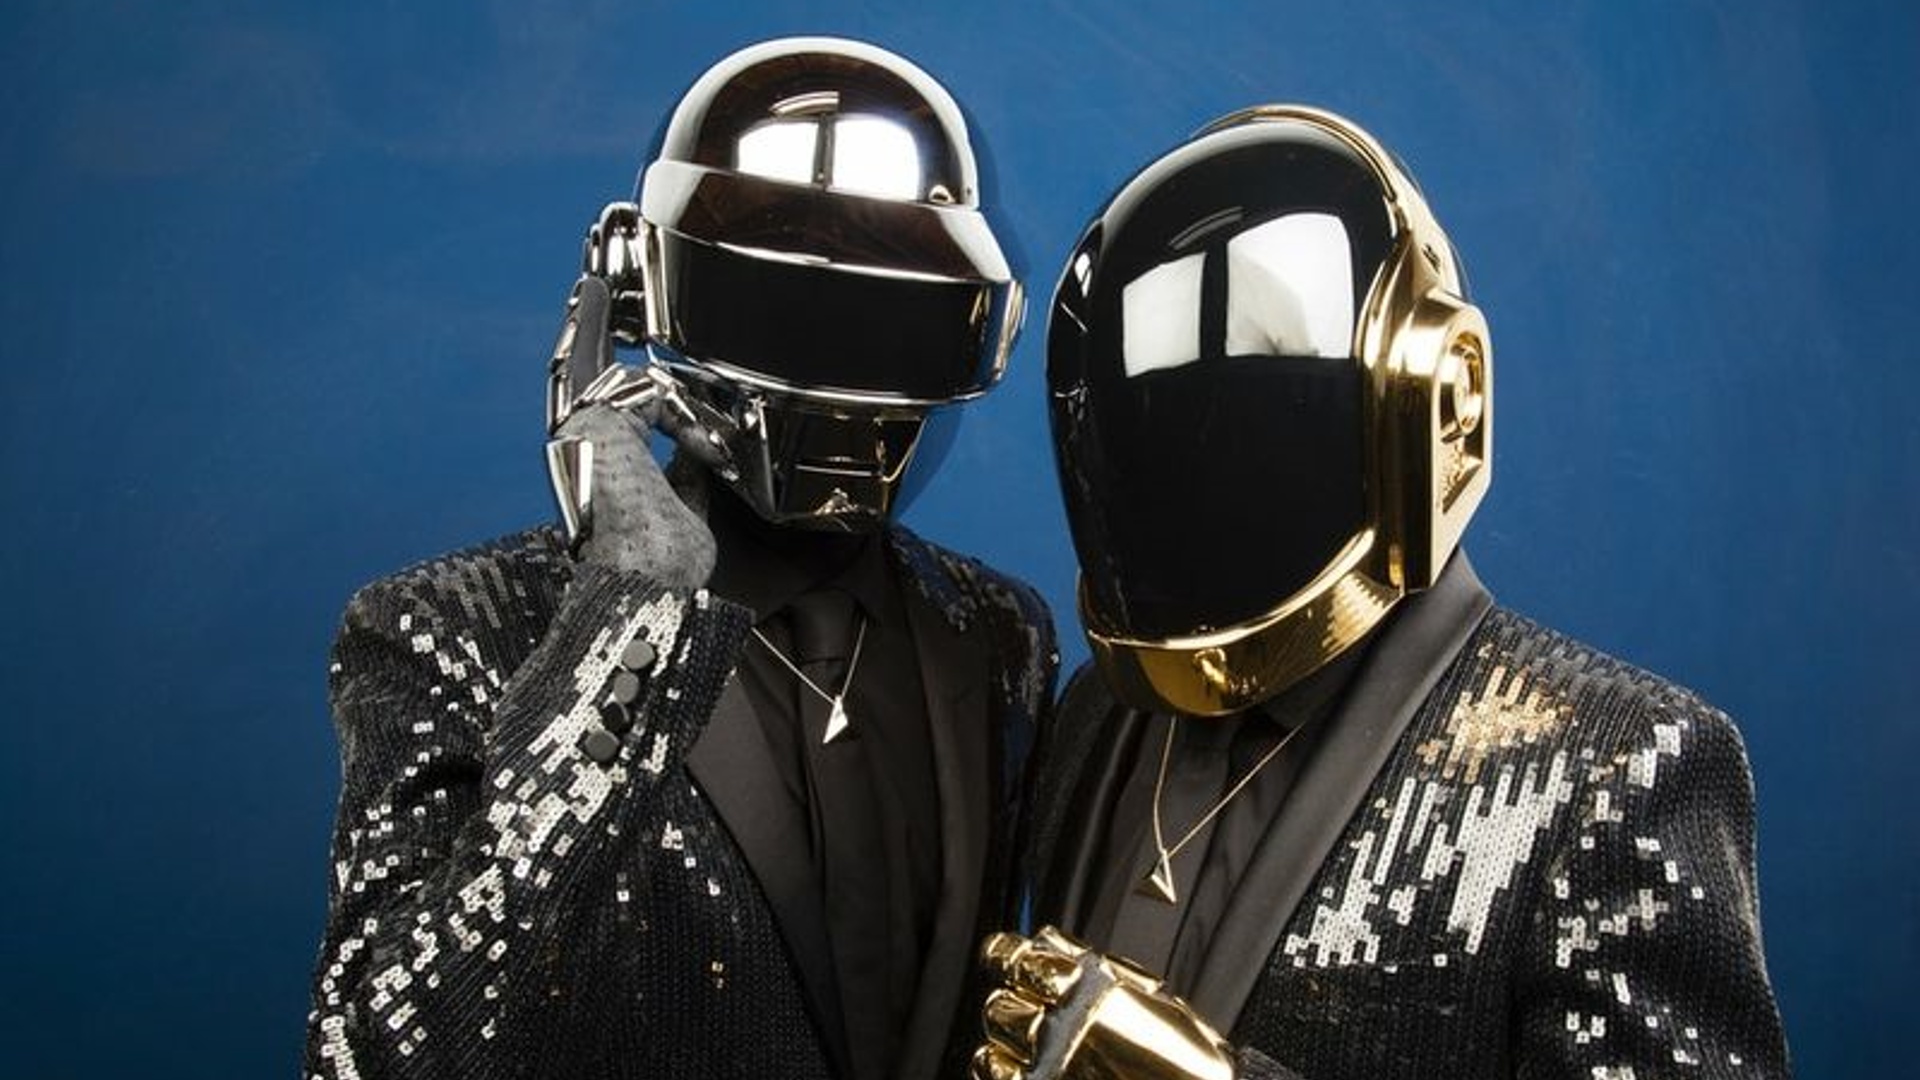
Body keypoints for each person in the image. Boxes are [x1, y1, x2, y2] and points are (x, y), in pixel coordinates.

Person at [971, 106, 1789, 1080]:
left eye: (1250, 416)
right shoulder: (1096, 718)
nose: (1203, 477)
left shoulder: (1617, 768)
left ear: (1433, 394)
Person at [304, 37, 1056, 1080]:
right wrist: (621, 623)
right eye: (776, 307)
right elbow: (373, 1058)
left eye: (898, 318)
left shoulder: (1003, 634)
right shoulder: (451, 627)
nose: (836, 377)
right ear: (639, 299)